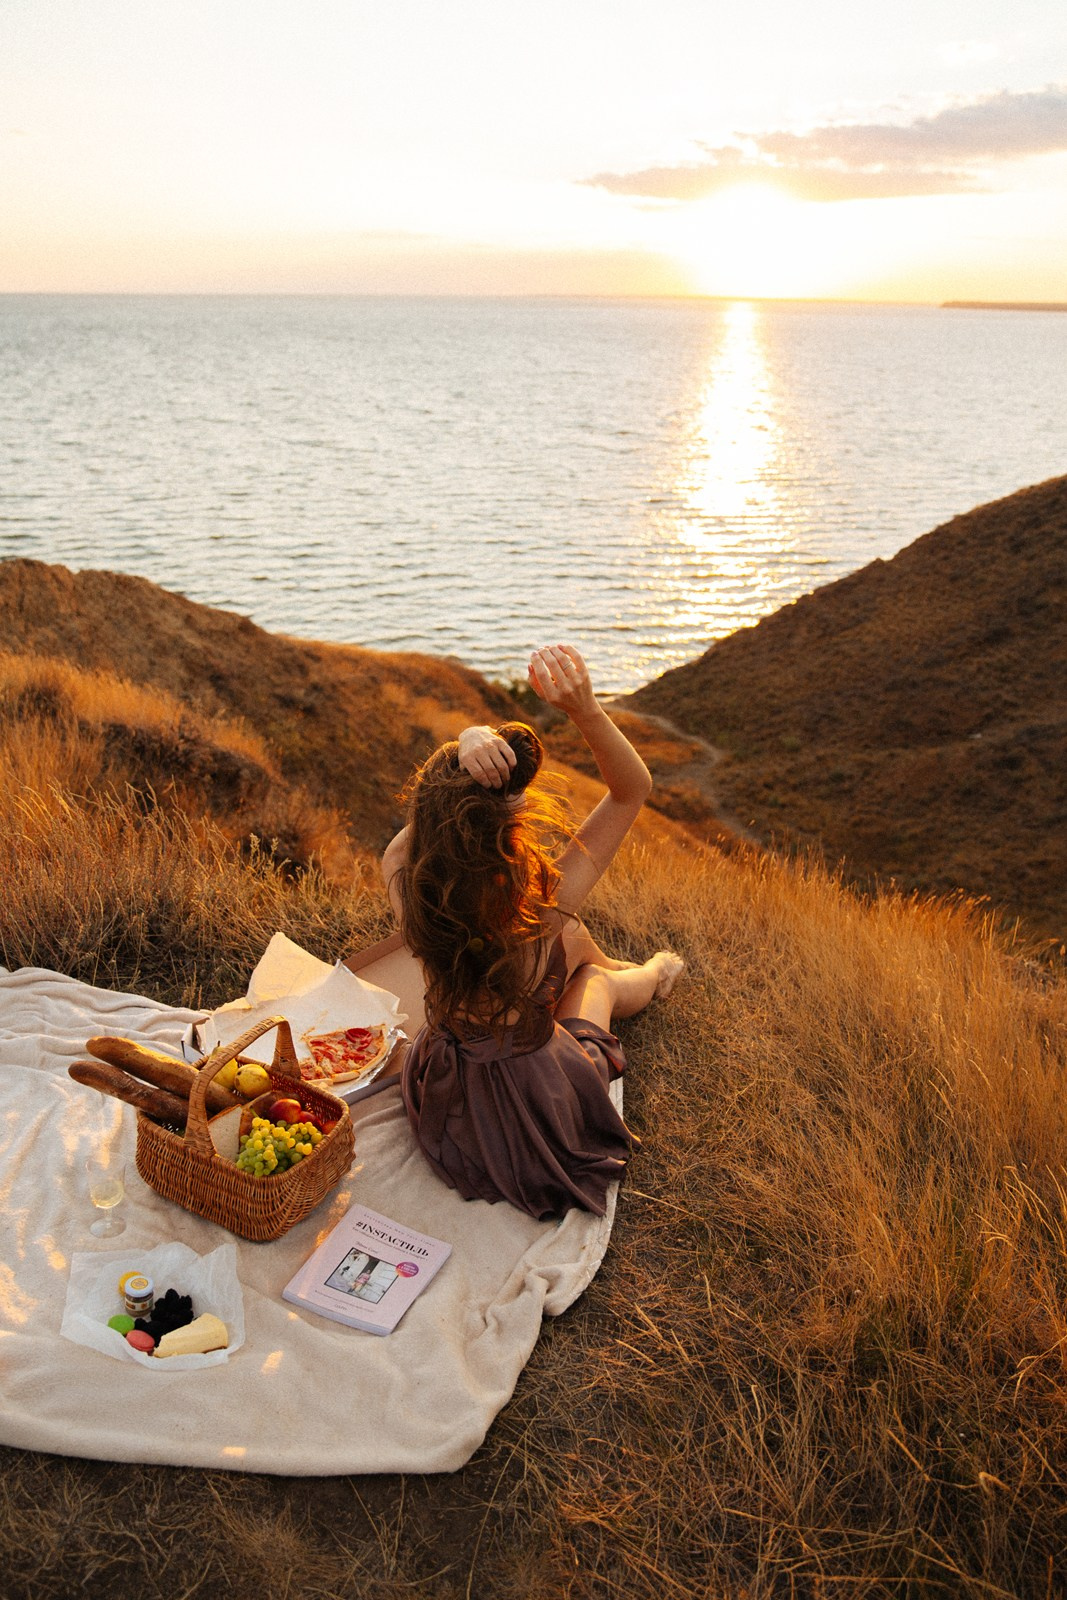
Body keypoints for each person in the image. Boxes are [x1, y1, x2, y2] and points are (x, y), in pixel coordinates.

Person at [381, 643, 683, 1221]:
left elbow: (415, 830)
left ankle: (626, 967)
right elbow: (631, 789)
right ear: (511, 832)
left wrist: (465, 742)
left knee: (572, 946)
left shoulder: (407, 883)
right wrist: (586, 709)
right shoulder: (543, 906)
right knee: (594, 977)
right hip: (536, 1104)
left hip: (445, 1094)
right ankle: (653, 972)